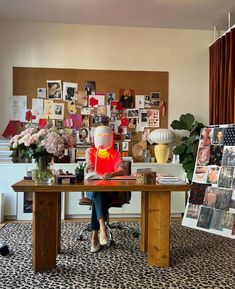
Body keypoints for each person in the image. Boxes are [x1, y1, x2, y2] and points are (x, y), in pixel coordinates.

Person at [85, 125, 124, 253]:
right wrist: (97, 175)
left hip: (110, 191)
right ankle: (102, 228)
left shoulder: (115, 153)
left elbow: (121, 169)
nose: (102, 139)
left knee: (99, 194)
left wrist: (112, 174)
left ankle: (95, 234)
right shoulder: (91, 152)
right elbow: (90, 169)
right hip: (94, 189)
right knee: (97, 192)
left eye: (105, 136)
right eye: (100, 136)